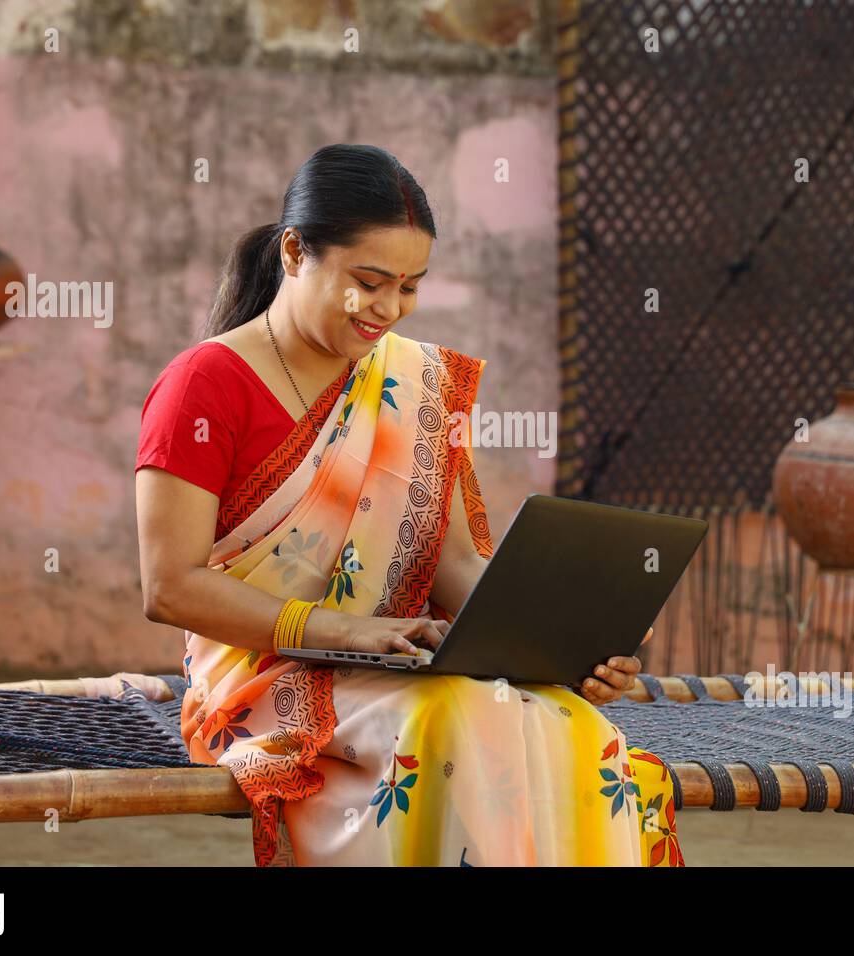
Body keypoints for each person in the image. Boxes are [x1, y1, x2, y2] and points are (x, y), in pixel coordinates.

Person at [134, 144, 683, 867]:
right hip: (262, 680)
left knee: (569, 726)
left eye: (410, 286)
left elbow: (451, 557)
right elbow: (169, 586)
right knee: (447, 724)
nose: (388, 310)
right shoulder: (203, 385)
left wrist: (559, 649)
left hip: (398, 664)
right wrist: (342, 631)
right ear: (296, 252)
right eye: (368, 282)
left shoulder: (418, 382)